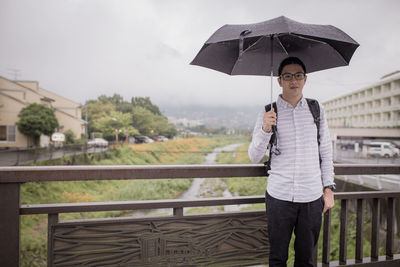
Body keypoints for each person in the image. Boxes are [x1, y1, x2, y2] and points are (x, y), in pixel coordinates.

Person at [248, 57, 335, 267]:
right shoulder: (268, 111)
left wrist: (328, 188)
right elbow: (254, 156)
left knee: (306, 259)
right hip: (280, 196)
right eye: (287, 76)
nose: (293, 80)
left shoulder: (316, 110)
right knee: (277, 258)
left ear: (305, 79)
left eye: (298, 75)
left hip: (312, 196)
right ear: (279, 81)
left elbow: (325, 150)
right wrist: (265, 129)